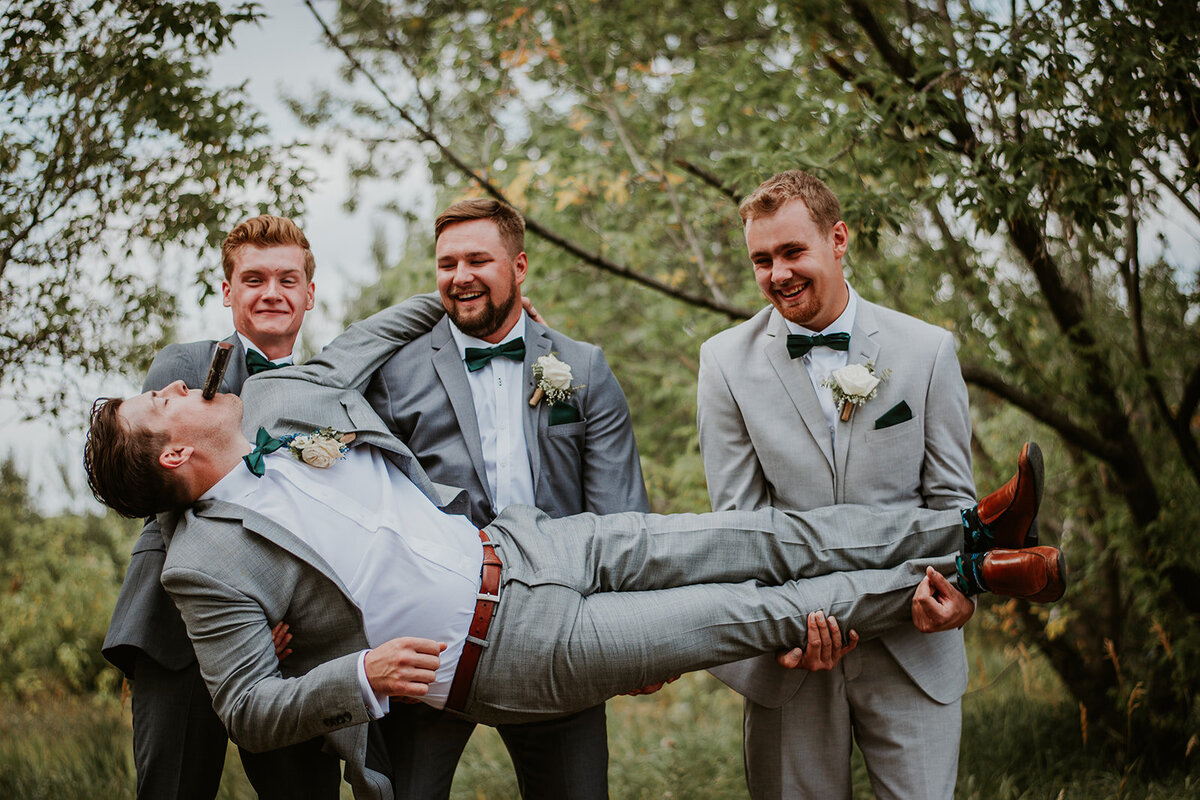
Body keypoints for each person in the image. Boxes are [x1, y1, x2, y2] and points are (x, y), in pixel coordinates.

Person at [84, 297, 1065, 800]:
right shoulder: (204, 562)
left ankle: (970, 526)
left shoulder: (280, 397)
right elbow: (251, 708)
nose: (178, 383)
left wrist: (476, 299)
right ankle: (982, 575)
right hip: (505, 648)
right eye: (160, 397)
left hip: (529, 545)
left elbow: (398, 323)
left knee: (761, 534)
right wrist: (365, 674)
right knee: (746, 610)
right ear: (172, 451)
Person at [697, 169, 1000, 799]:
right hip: (792, 655)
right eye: (761, 259)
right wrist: (778, 630)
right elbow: (739, 524)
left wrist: (965, 595)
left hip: (915, 648)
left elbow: (953, 506)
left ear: (838, 239)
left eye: (791, 251)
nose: (777, 273)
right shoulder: (724, 362)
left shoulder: (926, 351)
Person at [363, 199, 649, 799]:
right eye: (446, 263)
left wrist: (637, 637)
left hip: (559, 629)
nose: (459, 275)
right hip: (432, 635)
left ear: (519, 267)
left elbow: (621, 517)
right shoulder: (392, 375)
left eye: (477, 260)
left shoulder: (582, 367)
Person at [100, 215, 342, 799]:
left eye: (287, 279)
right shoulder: (183, 369)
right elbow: (172, 498)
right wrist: (249, 607)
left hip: (293, 641)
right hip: (178, 629)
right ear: (228, 291)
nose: (271, 293)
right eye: (253, 279)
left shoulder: (331, 387)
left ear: (309, 293)